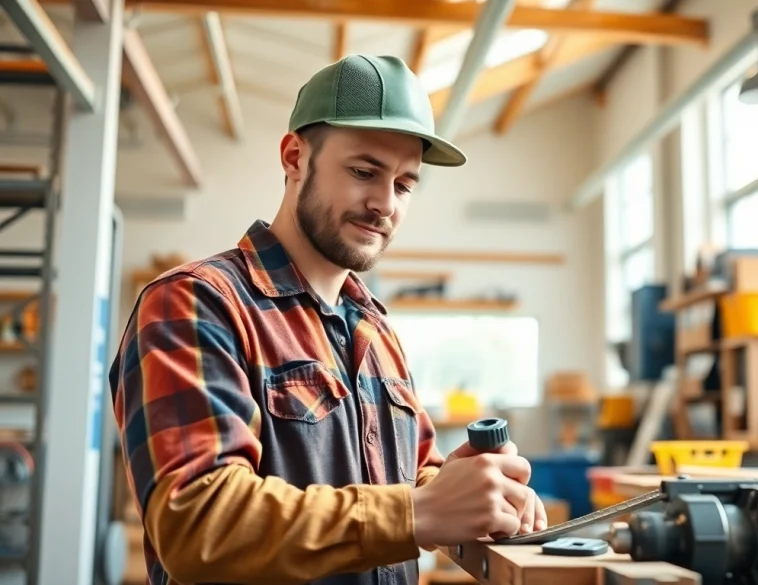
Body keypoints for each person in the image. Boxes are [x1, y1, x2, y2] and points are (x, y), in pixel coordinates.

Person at [108, 54, 547, 585]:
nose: (385, 204)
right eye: (364, 171)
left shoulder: (375, 330)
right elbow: (198, 524)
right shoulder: (197, 304)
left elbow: (414, 480)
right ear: (294, 157)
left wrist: (470, 489)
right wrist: (419, 512)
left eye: (405, 185)